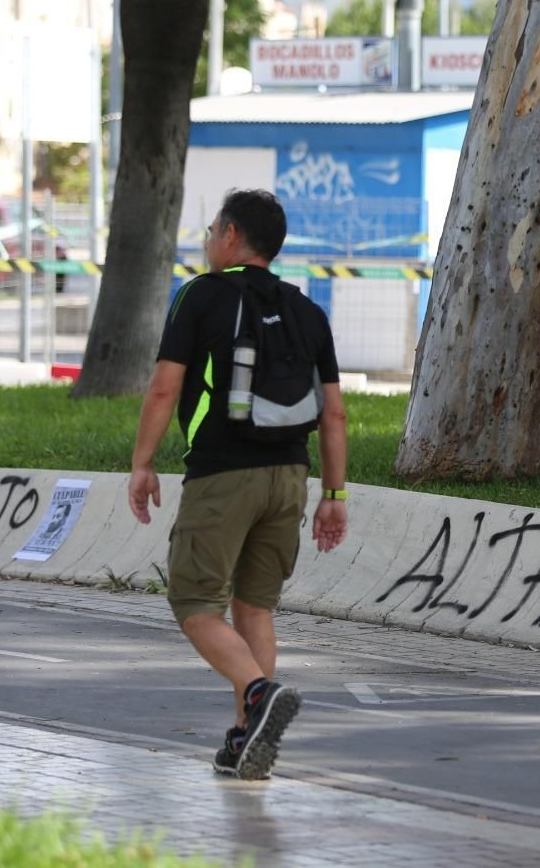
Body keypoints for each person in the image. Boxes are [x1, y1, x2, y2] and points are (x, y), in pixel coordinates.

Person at [128, 188, 349, 780]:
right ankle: (244, 741)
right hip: (290, 477)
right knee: (254, 607)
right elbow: (333, 415)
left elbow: (164, 388)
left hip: (223, 475)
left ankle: (257, 692)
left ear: (229, 235)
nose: (207, 240)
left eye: (210, 230)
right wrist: (334, 496)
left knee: (195, 603)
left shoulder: (201, 295)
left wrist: (143, 463)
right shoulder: (307, 311)